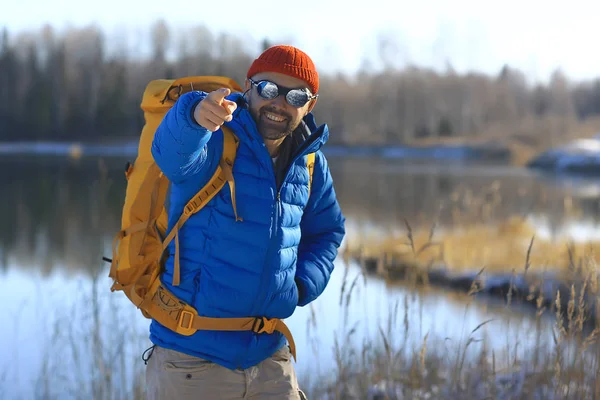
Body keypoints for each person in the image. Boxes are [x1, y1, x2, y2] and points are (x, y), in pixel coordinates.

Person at [144, 44, 346, 399]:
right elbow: (171, 156)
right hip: (191, 362)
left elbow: (327, 232)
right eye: (269, 89)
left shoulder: (311, 163)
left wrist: (299, 286)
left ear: (310, 104)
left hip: (270, 361)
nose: (279, 103)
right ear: (249, 87)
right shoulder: (214, 139)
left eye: (295, 95)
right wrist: (192, 114)